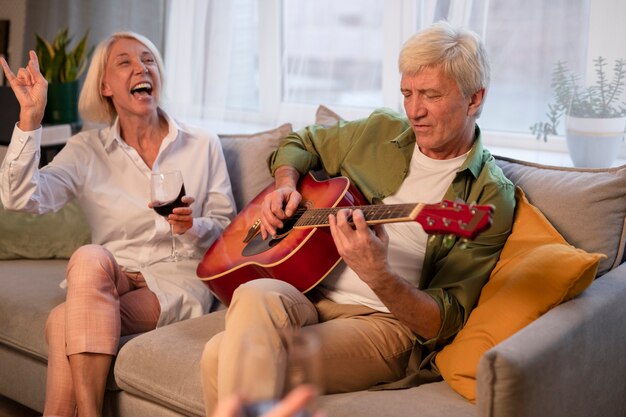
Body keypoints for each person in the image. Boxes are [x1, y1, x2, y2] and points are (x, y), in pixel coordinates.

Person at [199, 20, 515, 414]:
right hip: (309, 291)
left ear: (474, 99)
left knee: (218, 354)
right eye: (407, 93)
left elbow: (443, 322)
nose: (414, 111)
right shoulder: (379, 131)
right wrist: (285, 184)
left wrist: (378, 274)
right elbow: (301, 142)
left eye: (431, 95)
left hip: (383, 323)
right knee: (251, 293)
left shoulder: (488, 195)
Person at [0, 31, 236, 417]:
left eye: (148, 60)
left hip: (176, 279)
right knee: (90, 256)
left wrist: (191, 227)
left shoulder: (202, 143)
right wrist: (30, 120)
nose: (141, 68)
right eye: (125, 62)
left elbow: (228, 231)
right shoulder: (86, 150)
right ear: (105, 86)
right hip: (109, 275)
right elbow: (20, 199)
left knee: (63, 321)